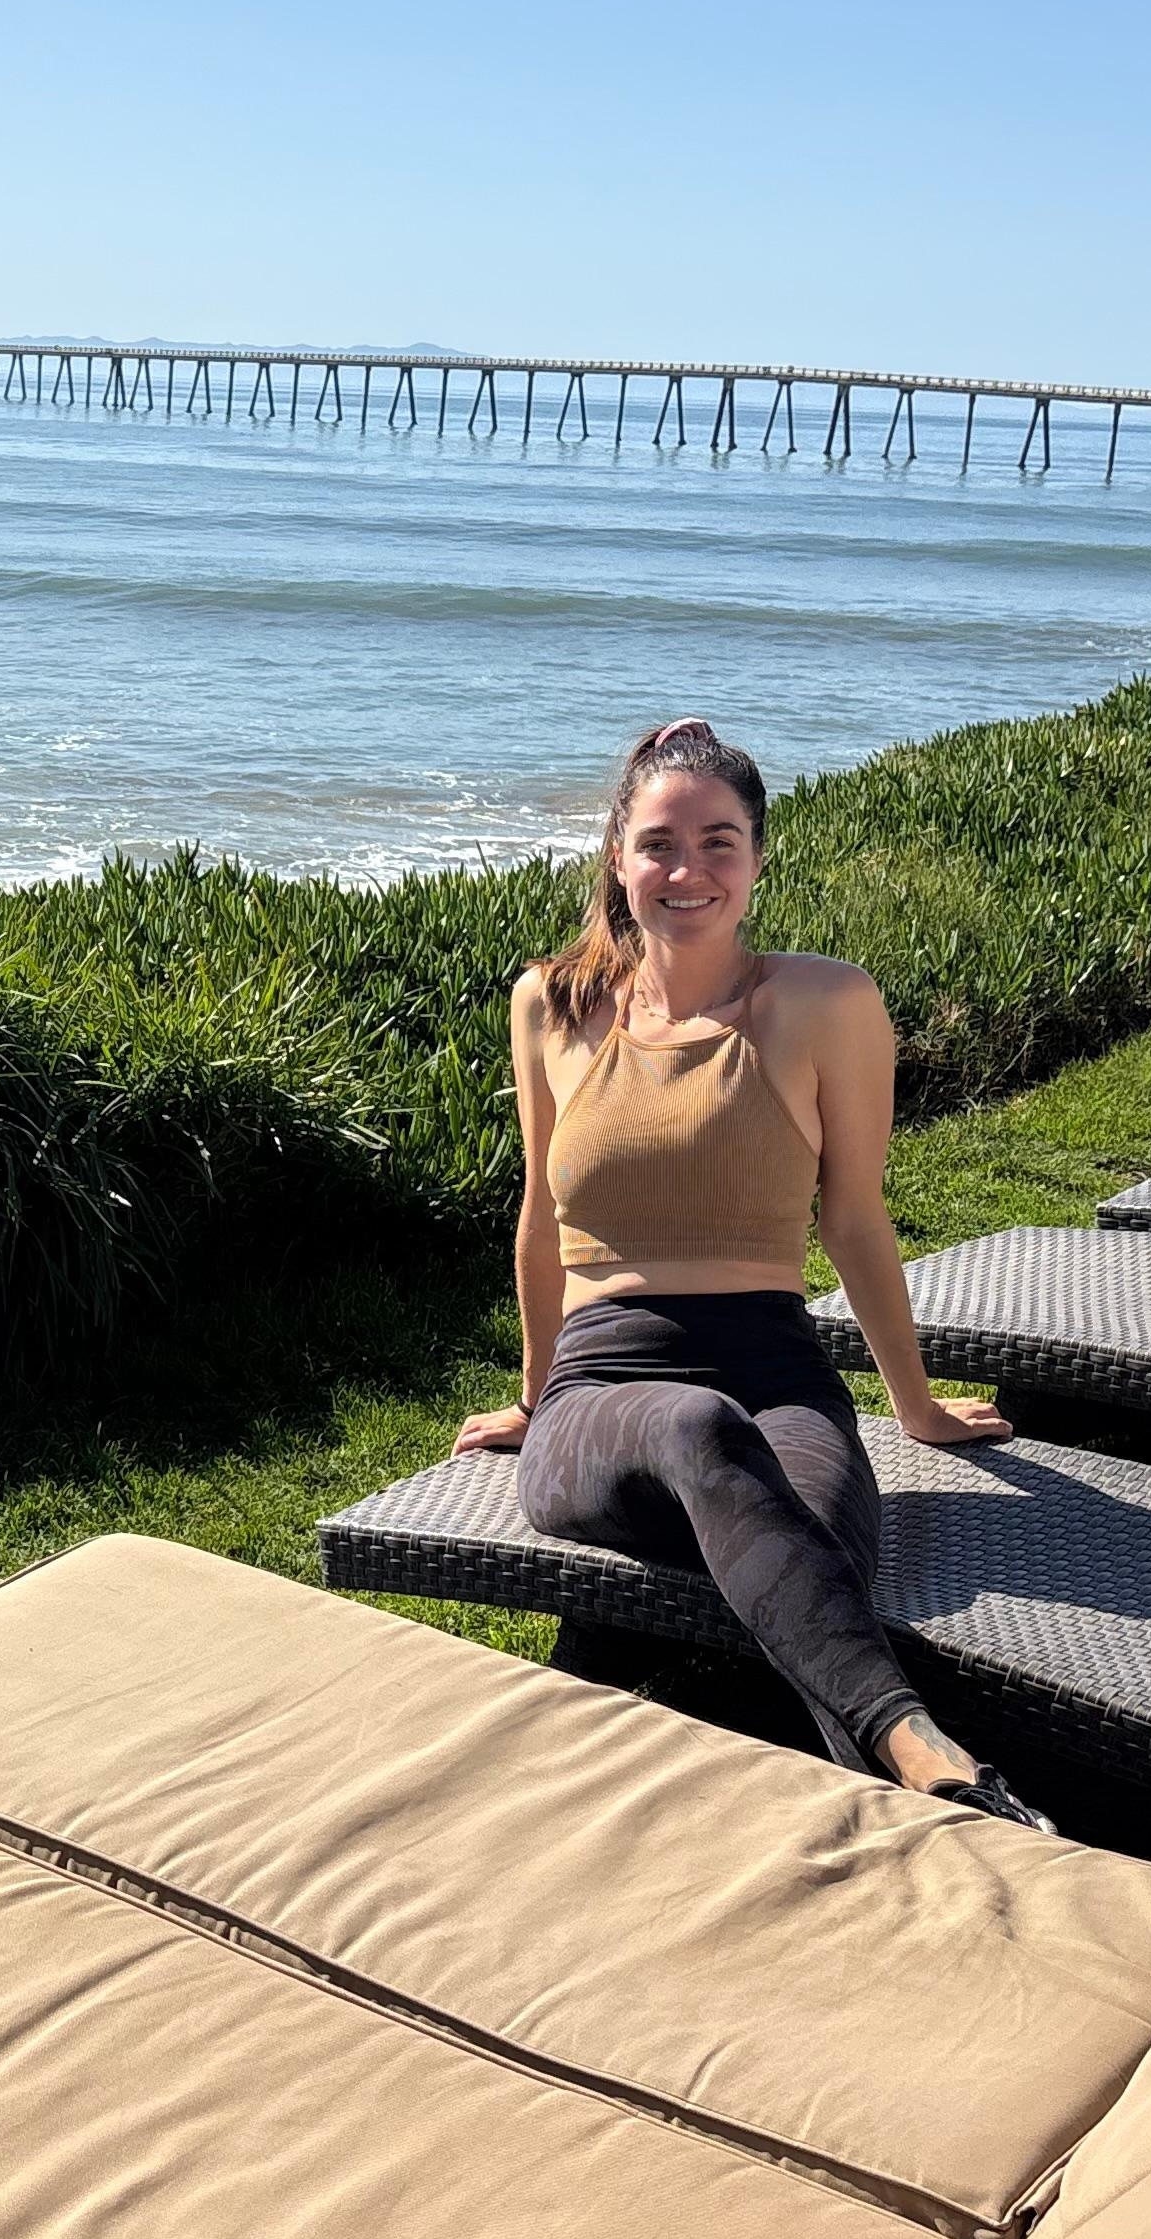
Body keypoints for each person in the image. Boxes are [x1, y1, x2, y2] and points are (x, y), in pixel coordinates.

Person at [451, 716, 1053, 1830]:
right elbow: (540, 1221)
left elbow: (855, 1220)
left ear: (759, 859)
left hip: (778, 1373)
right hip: (606, 1384)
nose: (688, 870)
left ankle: (902, 1817)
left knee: (808, 1535)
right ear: (619, 858)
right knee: (699, 1430)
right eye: (660, 844)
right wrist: (536, 1401)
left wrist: (914, 1407)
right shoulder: (554, 1004)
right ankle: (920, 1749)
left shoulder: (826, 1005)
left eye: (717, 843)